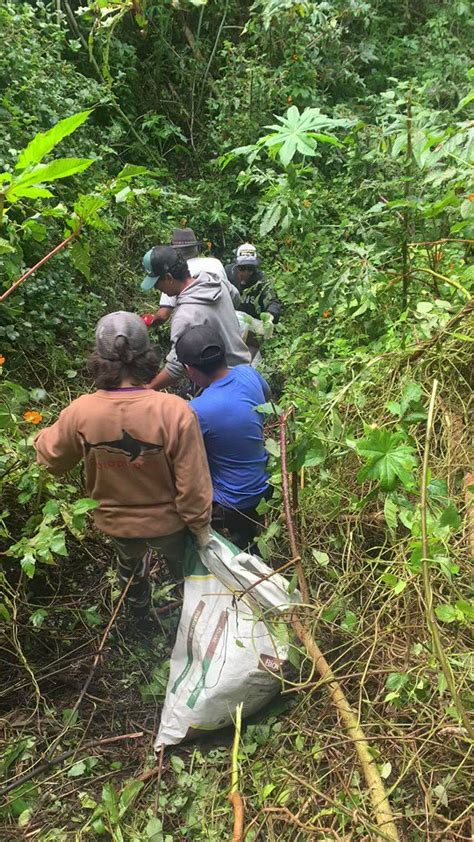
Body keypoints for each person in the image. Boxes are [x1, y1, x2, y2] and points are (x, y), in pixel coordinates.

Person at [33, 311, 213, 624]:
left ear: (99, 361)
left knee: (131, 569)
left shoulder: (81, 412)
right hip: (170, 523)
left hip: (117, 523)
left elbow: (49, 461)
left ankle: (139, 617)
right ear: (147, 359)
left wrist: (37, 437)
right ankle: (189, 620)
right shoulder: (175, 411)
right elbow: (193, 483)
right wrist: (201, 529)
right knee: (184, 573)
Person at [175, 324, 271, 550]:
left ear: (189, 369)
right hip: (264, 483)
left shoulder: (197, 410)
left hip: (233, 500)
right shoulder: (248, 374)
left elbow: (183, 458)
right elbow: (266, 399)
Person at [141, 246, 251, 391]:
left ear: (169, 278)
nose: (156, 288)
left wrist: (148, 388)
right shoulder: (216, 282)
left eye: (156, 283)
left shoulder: (185, 316)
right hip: (247, 371)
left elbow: (176, 367)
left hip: (223, 383)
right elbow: (235, 298)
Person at [141, 228, 240, 327]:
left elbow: (163, 315)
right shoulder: (215, 263)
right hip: (229, 328)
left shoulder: (176, 274)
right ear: (196, 248)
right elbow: (234, 297)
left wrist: (141, 321)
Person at [225, 243, 282, 359]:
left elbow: (273, 301)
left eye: (250, 269)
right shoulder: (227, 274)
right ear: (236, 266)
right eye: (242, 268)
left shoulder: (261, 280)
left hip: (251, 328)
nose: (245, 273)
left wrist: (270, 317)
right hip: (227, 325)